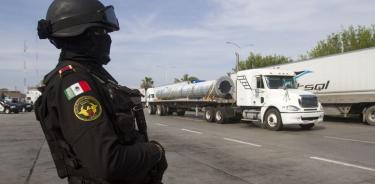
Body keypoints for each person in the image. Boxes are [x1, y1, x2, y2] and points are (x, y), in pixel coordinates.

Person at [34, 0, 167, 183]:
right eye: (102, 32)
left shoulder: (93, 75)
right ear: (81, 33)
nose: (108, 39)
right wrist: (155, 151)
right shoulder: (74, 83)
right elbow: (109, 162)